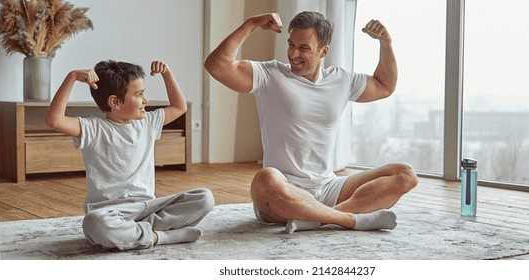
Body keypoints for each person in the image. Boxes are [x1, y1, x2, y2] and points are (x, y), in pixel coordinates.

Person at [204, 11, 418, 233]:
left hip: (328, 188)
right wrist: (251, 23)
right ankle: (350, 219)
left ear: (323, 51)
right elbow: (216, 66)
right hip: (284, 191)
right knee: (265, 178)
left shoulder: (341, 80)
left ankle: (317, 219)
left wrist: (385, 42)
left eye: (304, 48)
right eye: (291, 45)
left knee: (405, 174)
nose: (293, 54)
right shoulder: (270, 74)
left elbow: (385, 86)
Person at [45, 60, 214, 250]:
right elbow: (54, 119)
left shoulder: (147, 123)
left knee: (204, 198)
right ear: (114, 102)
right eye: (139, 95)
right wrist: (72, 77)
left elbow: (179, 107)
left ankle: (135, 233)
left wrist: (167, 73)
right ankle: (161, 237)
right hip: (109, 212)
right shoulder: (93, 128)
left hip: (148, 207)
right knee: (94, 224)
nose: (146, 100)